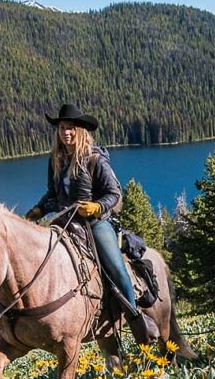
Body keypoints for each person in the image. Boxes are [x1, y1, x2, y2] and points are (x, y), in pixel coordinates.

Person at [23, 103, 159, 340]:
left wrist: (96, 207)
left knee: (116, 268)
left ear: (81, 130)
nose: (66, 132)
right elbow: (54, 195)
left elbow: (114, 193)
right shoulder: (56, 160)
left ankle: (137, 320)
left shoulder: (94, 158)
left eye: (71, 128)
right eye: (62, 128)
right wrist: (39, 209)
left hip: (96, 223)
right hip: (65, 222)